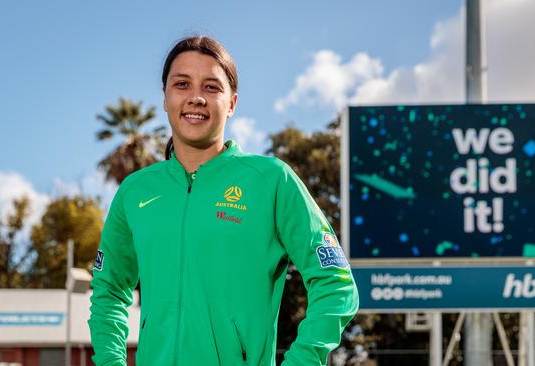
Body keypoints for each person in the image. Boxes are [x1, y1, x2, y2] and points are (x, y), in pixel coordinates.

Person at [87, 36, 359, 366]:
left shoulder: (271, 180)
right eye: (182, 84)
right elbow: (109, 291)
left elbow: (336, 284)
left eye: (212, 87)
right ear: (165, 97)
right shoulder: (135, 191)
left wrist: (302, 360)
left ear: (232, 103)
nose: (196, 98)